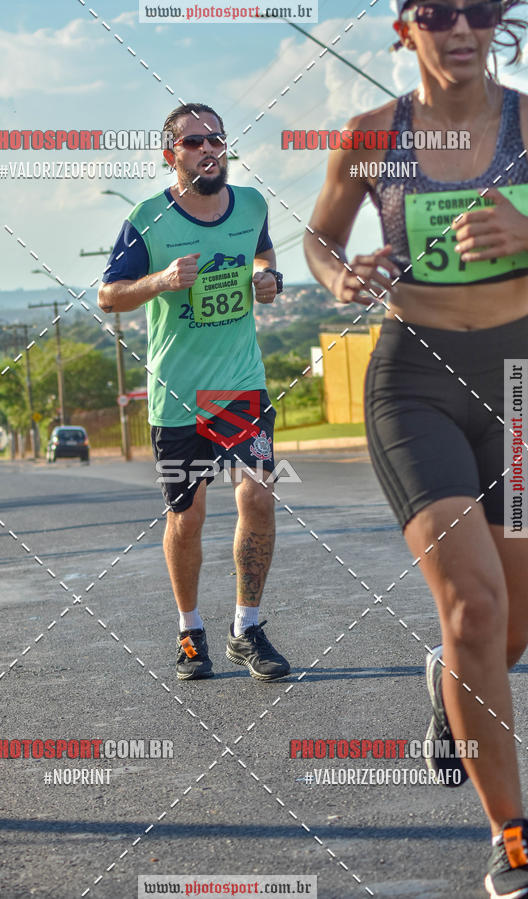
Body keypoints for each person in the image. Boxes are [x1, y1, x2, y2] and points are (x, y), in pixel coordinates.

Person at [304, 1, 528, 895]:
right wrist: (342, 274)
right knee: (474, 606)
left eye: (480, 8)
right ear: (406, 28)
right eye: (438, 12)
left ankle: (449, 679)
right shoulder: (368, 137)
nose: (461, 28)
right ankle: (510, 832)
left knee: (507, 623)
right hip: (415, 380)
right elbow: (320, 239)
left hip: (518, 381)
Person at [98, 102, 290, 682]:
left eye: (218, 139)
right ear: (170, 155)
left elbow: (265, 253)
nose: (210, 148)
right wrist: (158, 281)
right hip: (178, 393)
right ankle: (190, 631)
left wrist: (269, 279)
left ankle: (247, 628)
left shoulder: (251, 204)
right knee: (188, 514)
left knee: (258, 496)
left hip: (238, 387)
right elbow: (109, 296)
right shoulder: (147, 218)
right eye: (195, 142)